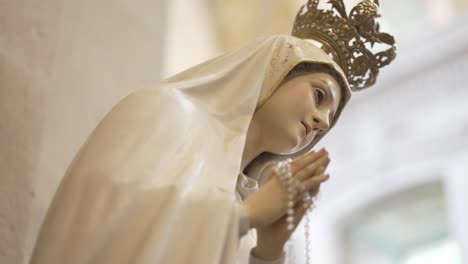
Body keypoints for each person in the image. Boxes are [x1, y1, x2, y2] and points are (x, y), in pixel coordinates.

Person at [29, 1, 396, 263]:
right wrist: (241, 219)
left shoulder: (244, 199)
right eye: (319, 96)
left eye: (328, 119)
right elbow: (113, 227)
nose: (321, 122)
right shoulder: (165, 111)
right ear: (275, 71)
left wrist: (266, 251)